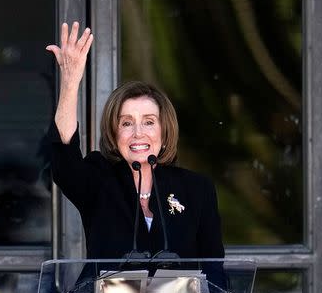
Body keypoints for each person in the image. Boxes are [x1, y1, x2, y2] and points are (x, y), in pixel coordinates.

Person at [45, 22, 224, 263]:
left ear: (164, 130)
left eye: (149, 122)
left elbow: (214, 273)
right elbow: (64, 157)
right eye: (126, 123)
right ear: (114, 132)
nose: (138, 133)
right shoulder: (100, 180)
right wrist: (70, 81)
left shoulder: (196, 190)